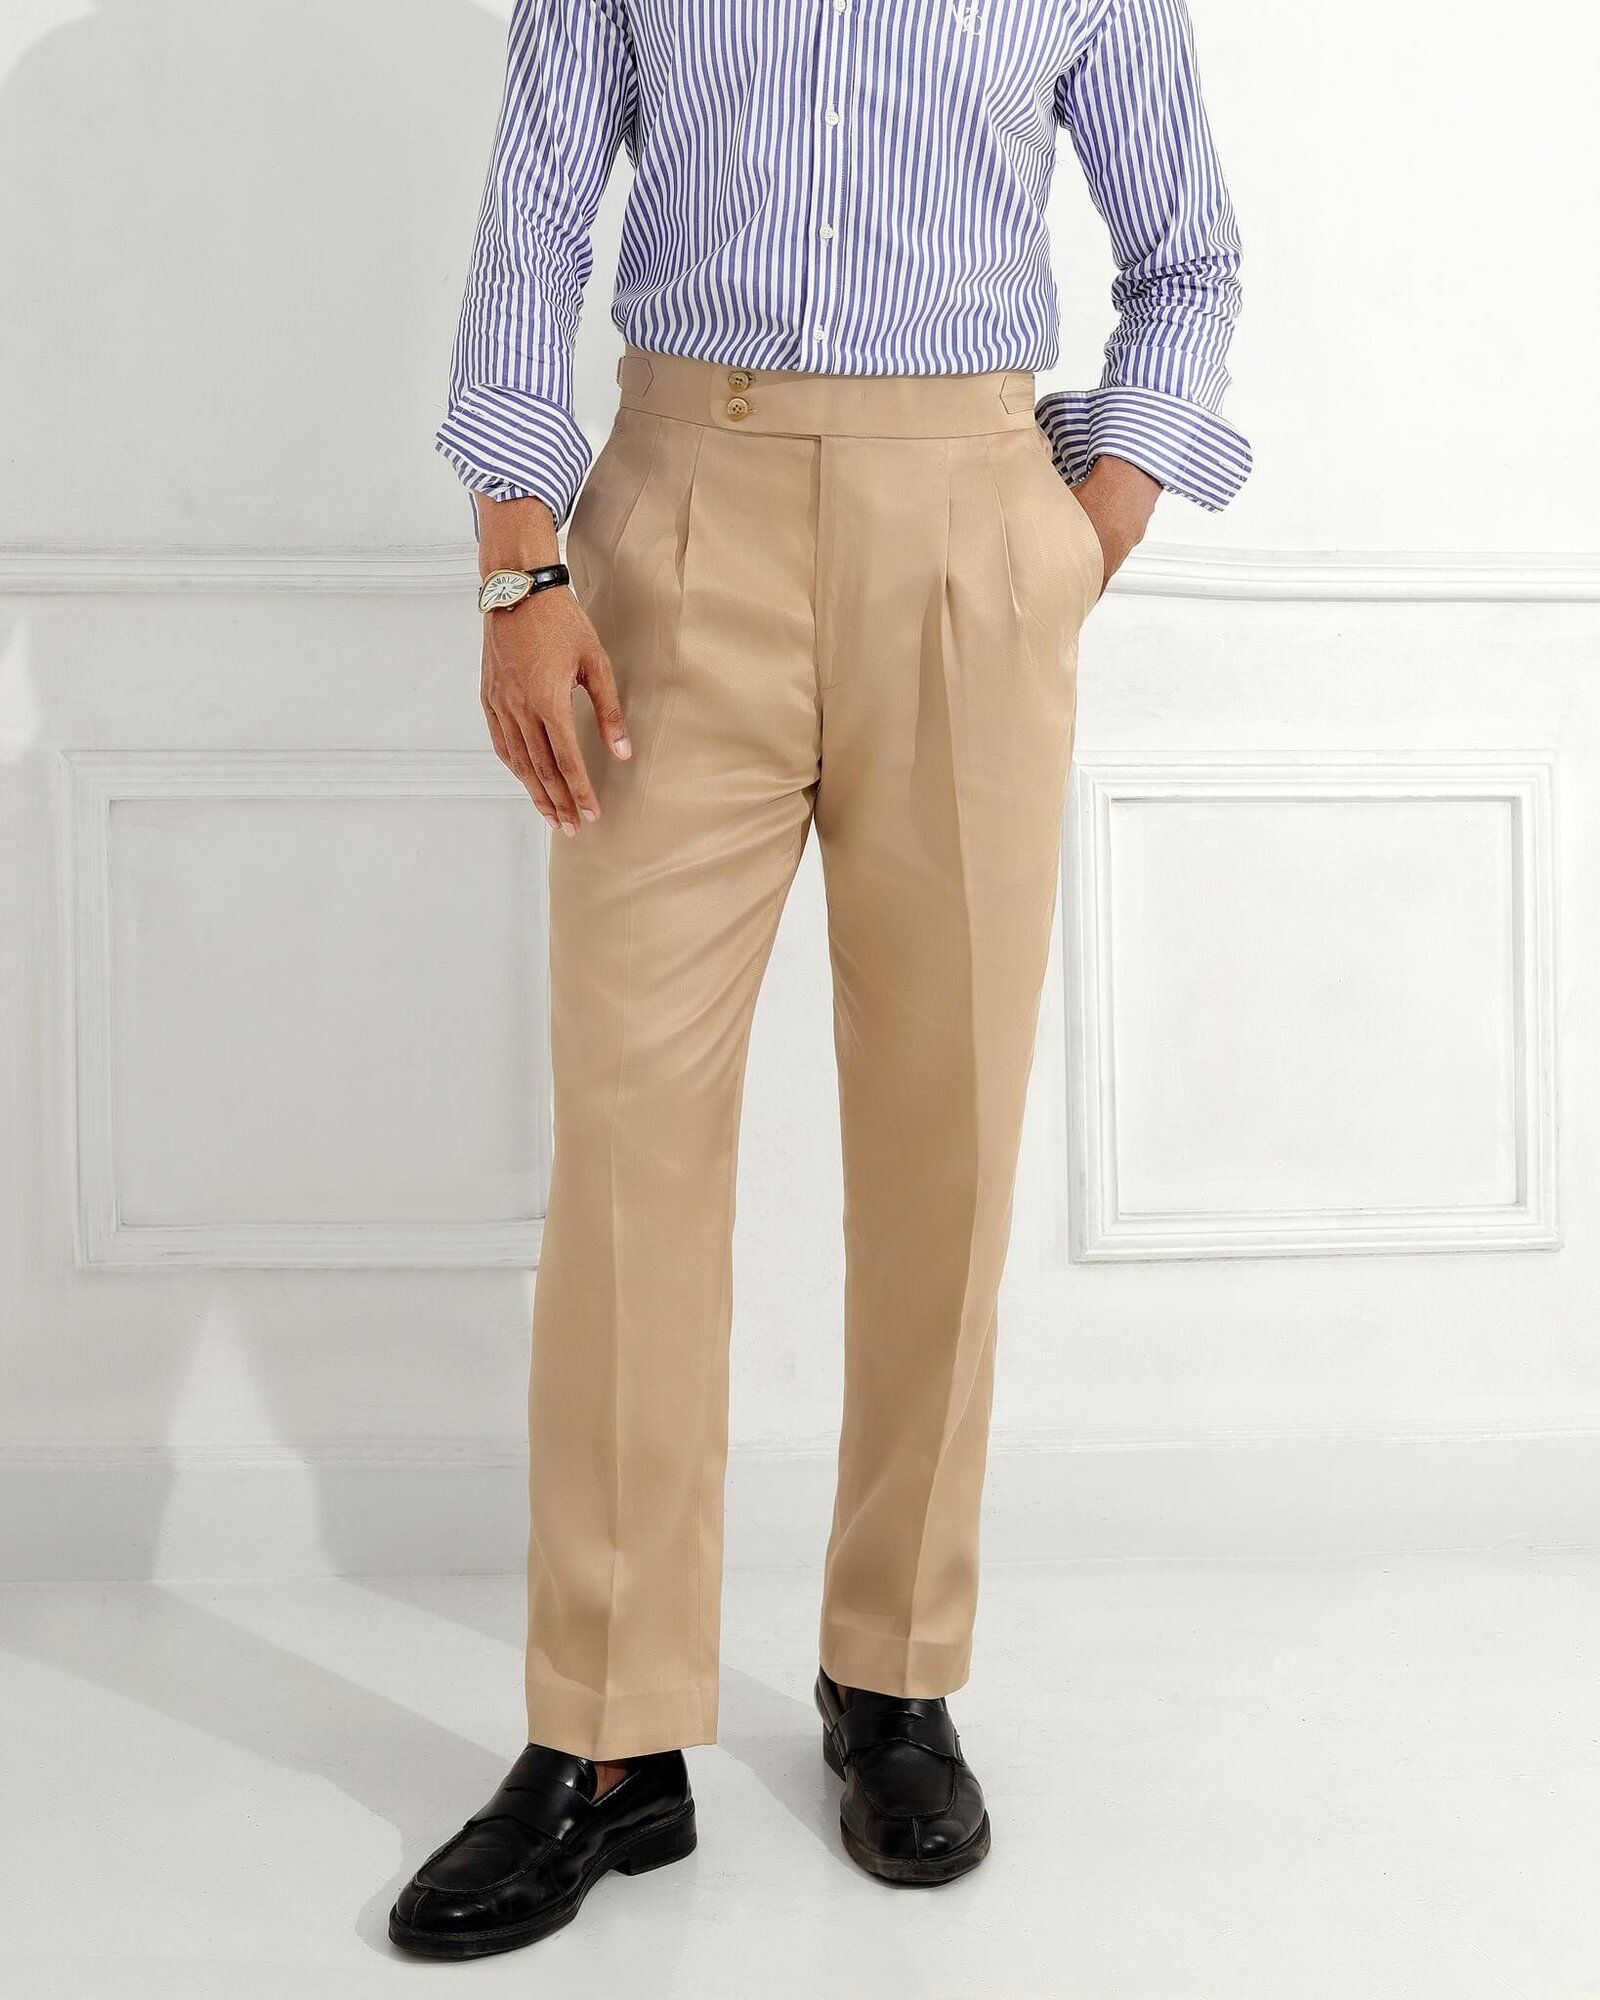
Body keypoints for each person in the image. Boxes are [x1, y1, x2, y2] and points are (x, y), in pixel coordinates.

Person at [389, 0, 1247, 1958]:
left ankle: (893, 1669)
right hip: (677, 518)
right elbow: (531, 227)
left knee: (944, 1142)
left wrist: (1083, 534)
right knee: (630, 1143)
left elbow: (1187, 252)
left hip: (973, 530)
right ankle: (609, 1734)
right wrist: (515, 567)